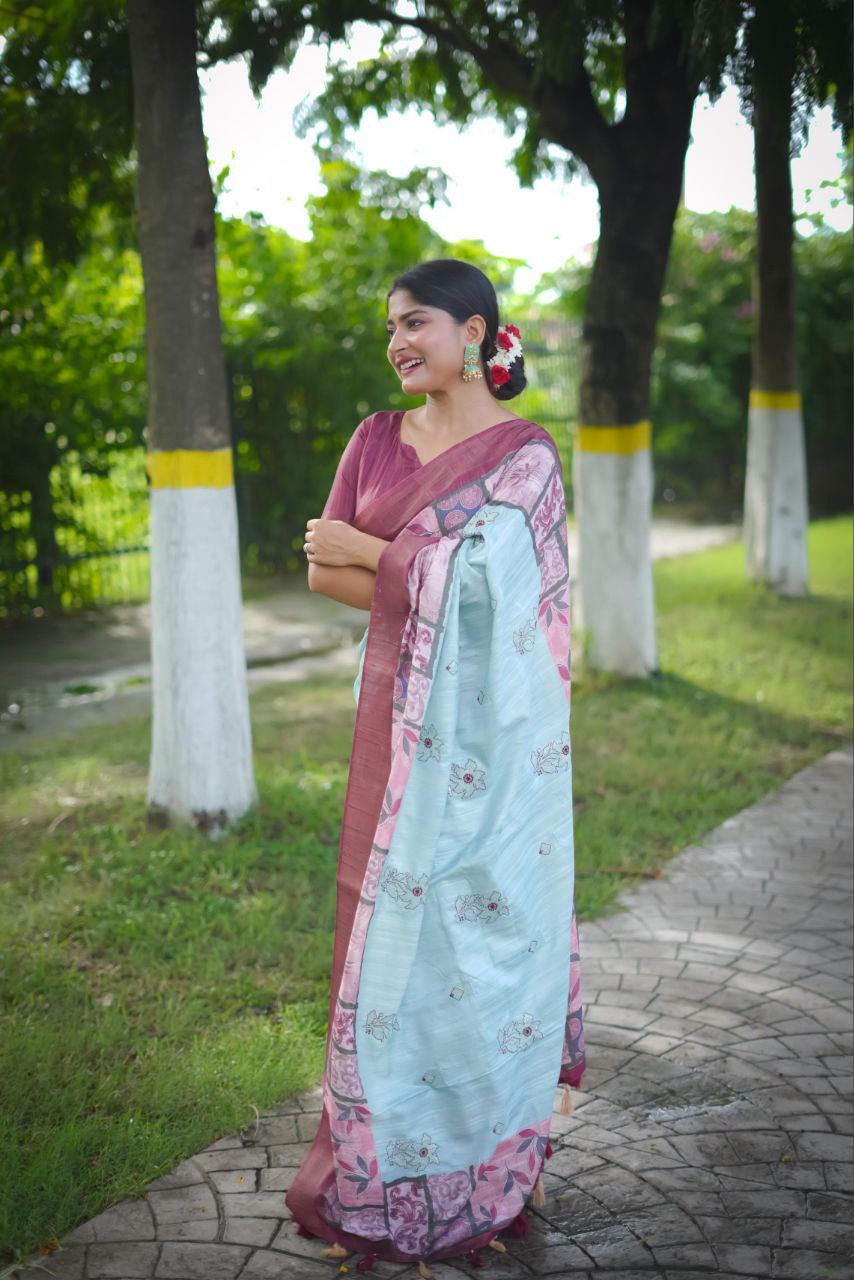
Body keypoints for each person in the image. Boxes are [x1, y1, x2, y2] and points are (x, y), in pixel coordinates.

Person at [285, 258, 585, 1276]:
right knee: (400, 945)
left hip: (500, 744)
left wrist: (379, 556)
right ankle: (394, 1159)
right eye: (389, 328)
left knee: (493, 930)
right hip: (402, 727)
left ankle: (505, 1154)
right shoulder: (374, 438)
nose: (398, 342)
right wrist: (398, 564)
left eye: (415, 323)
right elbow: (319, 567)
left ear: (474, 332)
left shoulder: (524, 458)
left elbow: (523, 605)